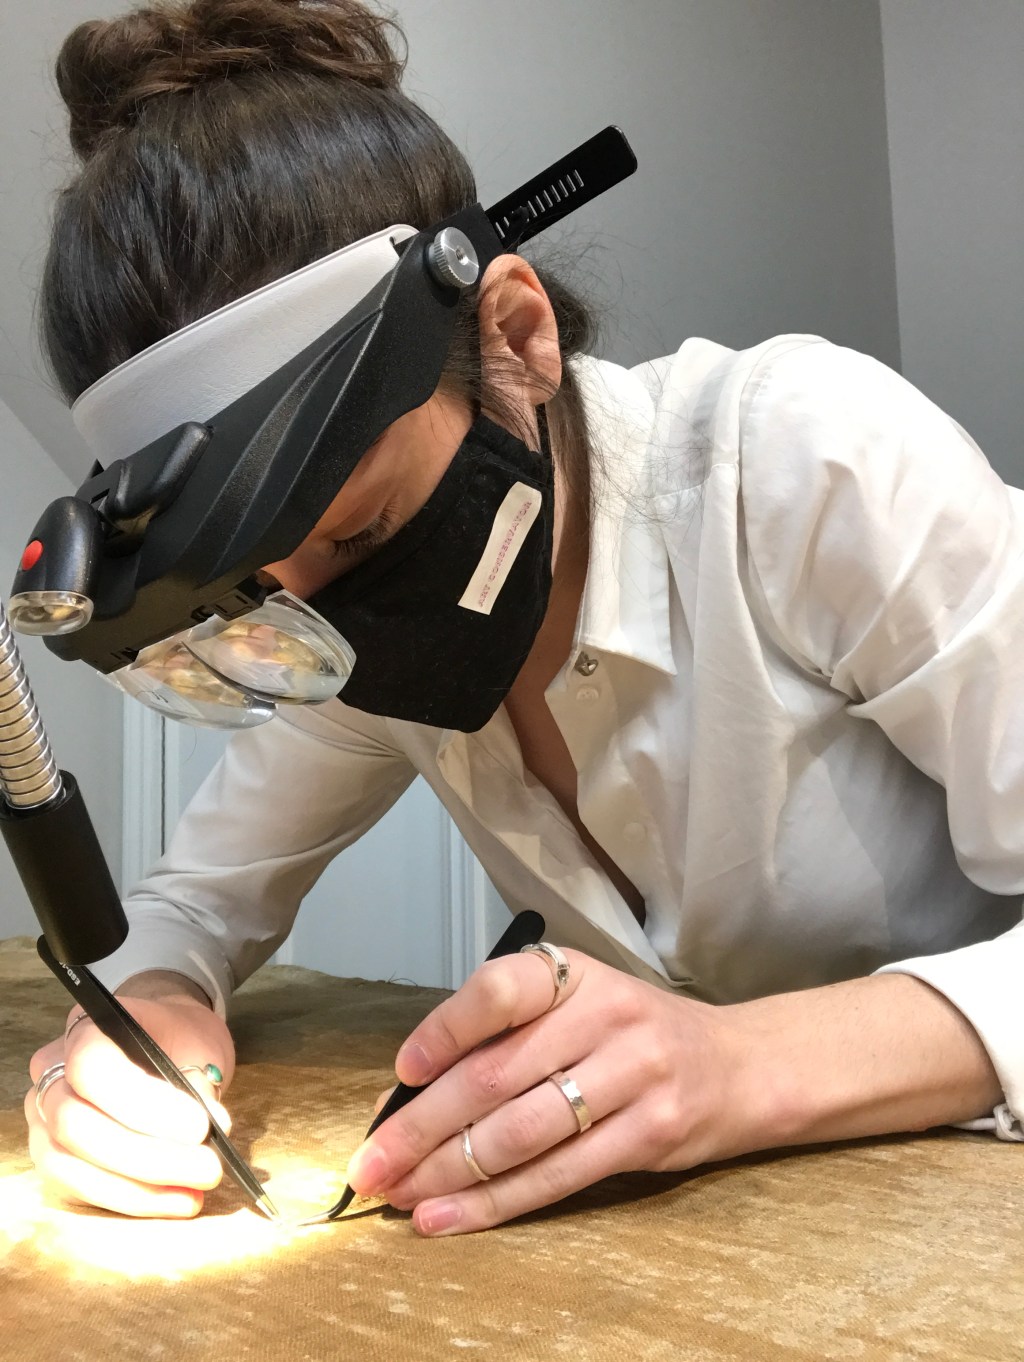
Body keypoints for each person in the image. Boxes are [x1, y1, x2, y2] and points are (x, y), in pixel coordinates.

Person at [22, 0, 1023, 1238]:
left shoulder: (803, 466)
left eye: (365, 536)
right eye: (266, 591)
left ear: (513, 333)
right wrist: (149, 1025)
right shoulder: (343, 644)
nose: (336, 630)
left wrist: (734, 1068)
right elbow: (193, 903)